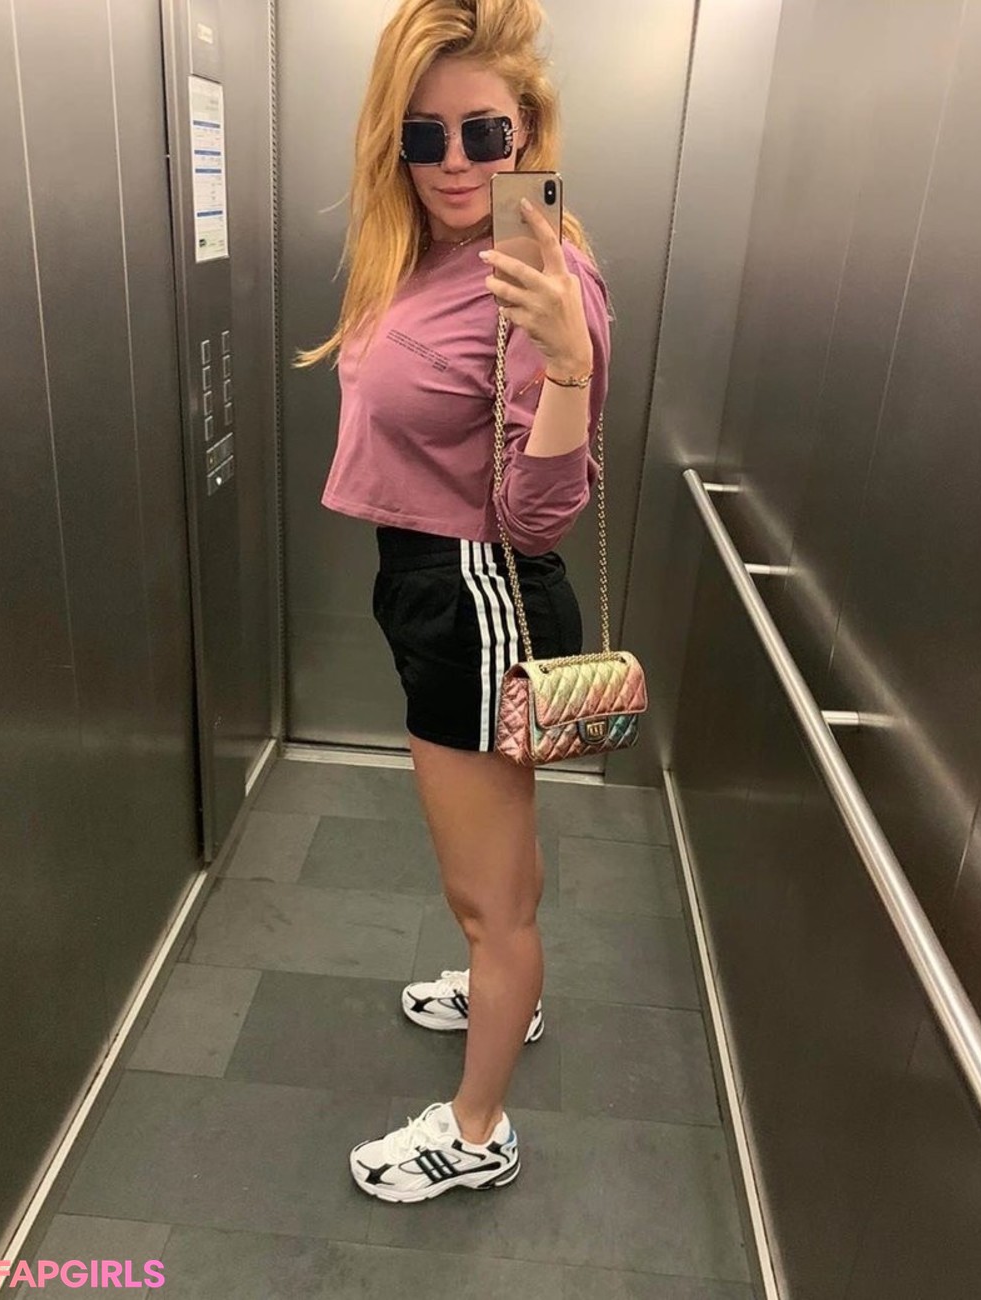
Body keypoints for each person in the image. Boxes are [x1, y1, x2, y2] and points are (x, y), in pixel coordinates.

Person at [298, 0, 611, 1201]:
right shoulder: (425, 252)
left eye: (484, 133)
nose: (456, 165)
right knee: (498, 873)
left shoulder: (539, 278)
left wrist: (570, 360)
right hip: (428, 578)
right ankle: (501, 994)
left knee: (487, 901)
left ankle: (479, 1132)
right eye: (423, 137)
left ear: (527, 128)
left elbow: (542, 519)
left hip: (479, 588)